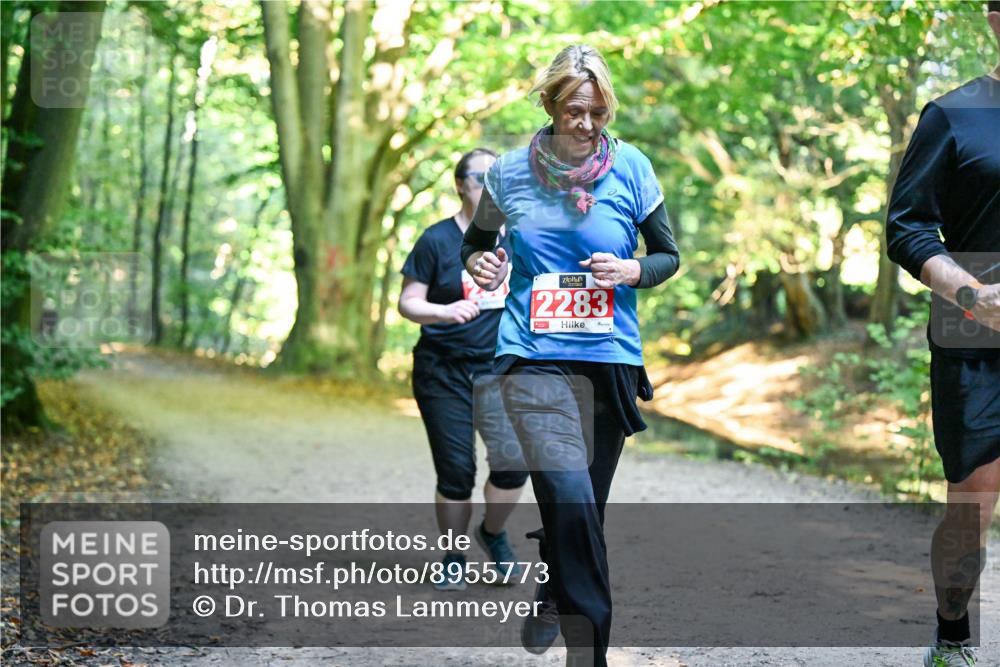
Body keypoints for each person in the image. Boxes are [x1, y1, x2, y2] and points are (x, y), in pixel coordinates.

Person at [461, 45, 679, 666]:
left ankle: (556, 586)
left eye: (598, 113)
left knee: (585, 512)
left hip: (608, 358)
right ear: (550, 105)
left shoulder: (632, 167)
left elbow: (667, 256)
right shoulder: (507, 173)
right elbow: (475, 246)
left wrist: (633, 270)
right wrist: (480, 264)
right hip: (532, 355)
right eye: (574, 111)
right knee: (571, 495)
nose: (586, 125)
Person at [886, 3, 1000, 665]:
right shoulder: (953, 115)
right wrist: (970, 293)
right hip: (974, 336)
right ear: (993, 18)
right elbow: (906, 227)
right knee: (973, 505)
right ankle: (952, 635)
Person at [399, 148, 530, 592]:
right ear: (460, 185)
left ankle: (492, 533)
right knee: (456, 470)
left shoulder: (518, 239)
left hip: (500, 371)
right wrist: (443, 311)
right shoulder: (436, 240)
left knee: (514, 463)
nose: (492, 186)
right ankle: (453, 555)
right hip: (442, 372)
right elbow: (408, 301)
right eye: (481, 177)